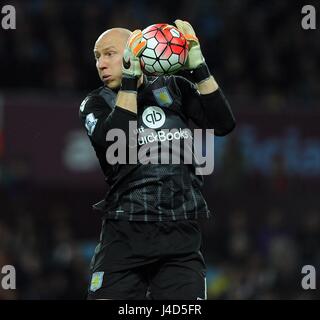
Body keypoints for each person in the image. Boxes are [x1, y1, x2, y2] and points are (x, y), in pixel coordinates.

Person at [79, 20, 235, 300]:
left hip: (180, 232)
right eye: (97, 56)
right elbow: (118, 139)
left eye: (109, 53)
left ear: (135, 51)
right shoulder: (95, 103)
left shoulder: (174, 88)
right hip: (124, 234)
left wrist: (199, 67)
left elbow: (223, 123)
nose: (101, 63)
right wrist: (129, 81)